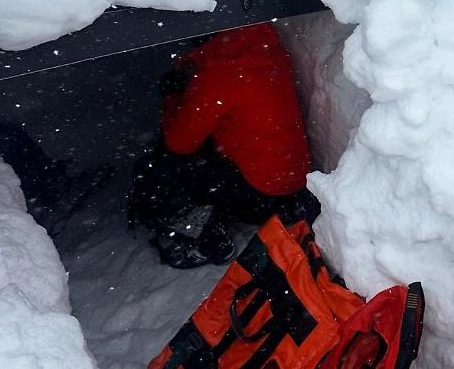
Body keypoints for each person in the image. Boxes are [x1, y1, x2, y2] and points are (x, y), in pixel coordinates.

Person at [128, 22, 317, 269]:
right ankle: (277, 208)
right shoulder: (265, 51)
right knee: (211, 136)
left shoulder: (217, 76)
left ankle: (205, 236)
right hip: (292, 184)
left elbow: (179, 144)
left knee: (169, 160)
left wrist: (172, 97)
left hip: (259, 196)